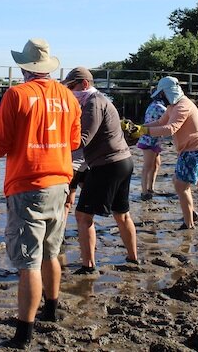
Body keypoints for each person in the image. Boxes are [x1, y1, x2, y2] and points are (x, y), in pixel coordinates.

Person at [0, 38, 81, 348]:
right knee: (51, 252)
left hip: (27, 184)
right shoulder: (68, 96)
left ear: (24, 67)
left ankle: (23, 332)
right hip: (60, 181)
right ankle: (51, 310)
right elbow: (73, 141)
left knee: (28, 261)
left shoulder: (16, 95)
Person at [64, 67, 138, 270]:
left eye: (71, 86)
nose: (69, 91)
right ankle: (133, 258)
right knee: (121, 214)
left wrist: (52, 143)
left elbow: (81, 140)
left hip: (108, 165)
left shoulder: (93, 103)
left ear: (84, 84)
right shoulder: (99, 100)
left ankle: (88, 266)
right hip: (123, 161)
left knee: (83, 216)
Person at [129, 76, 198, 229]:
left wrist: (145, 131)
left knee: (181, 186)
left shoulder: (183, 105)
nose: (162, 96)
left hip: (195, 149)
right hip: (187, 149)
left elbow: (171, 128)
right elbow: (160, 122)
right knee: (178, 183)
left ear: (168, 91)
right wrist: (138, 128)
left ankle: (188, 224)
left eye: (163, 93)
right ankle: (190, 213)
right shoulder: (173, 106)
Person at [137, 90, 167, 200]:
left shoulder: (153, 105)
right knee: (148, 165)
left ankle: (151, 188)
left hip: (154, 139)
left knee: (156, 163)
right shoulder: (160, 107)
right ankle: (144, 192)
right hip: (149, 139)